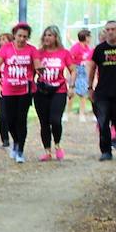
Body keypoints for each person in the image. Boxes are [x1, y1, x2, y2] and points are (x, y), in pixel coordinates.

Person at [88, 20, 116, 160]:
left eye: (113, 29)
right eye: (108, 29)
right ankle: (105, 150)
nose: (110, 32)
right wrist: (90, 87)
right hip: (103, 91)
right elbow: (92, 68)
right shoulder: (100, 48)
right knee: (103, 120)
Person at [0, 22, 38, 163]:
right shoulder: (7, 48)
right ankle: (15, 141)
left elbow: (37, 65)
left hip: (24, 90)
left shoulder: (32, 50)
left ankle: (20, 149)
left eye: (25, 37)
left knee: (21, 120)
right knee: (9, 120)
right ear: (14, 35)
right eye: (19, 36)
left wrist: (41, 70)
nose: (21, 39)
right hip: (8, 89)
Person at [33, 25, 74, 162]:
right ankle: (47, 151)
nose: (47, 38)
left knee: (55, 120)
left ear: (56, 37)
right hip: (42, 91)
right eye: (45, 35)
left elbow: (73, 70)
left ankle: (57, 145)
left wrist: (71, 86)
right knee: (44, 122)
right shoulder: (37, 53)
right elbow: (31, 70)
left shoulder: (64, 53)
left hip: (59, 89)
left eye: (50, 35)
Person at [0, 31, 14, 150]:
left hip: (13, 88)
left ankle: (15, 136)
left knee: (12, 115)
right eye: (1, 39)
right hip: (0, 88)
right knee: (2, 115)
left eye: (6, 39)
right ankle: (5, 139)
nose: (3, 41)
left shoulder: (14, 55)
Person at [69, 29, 94, 120]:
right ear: (85, 37)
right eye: (89, 37)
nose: (90, 39)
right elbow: (71, 60)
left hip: (85, 71)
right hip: (77, 70)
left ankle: (82, 114)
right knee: (72, 93)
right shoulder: (76, 47)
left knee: (83, 93)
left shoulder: (88, 48)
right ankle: (67, 112)